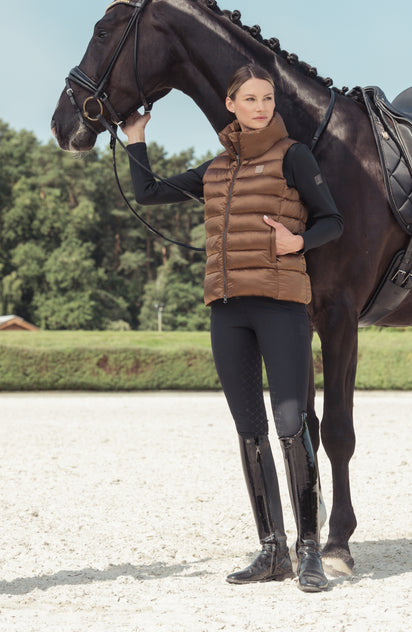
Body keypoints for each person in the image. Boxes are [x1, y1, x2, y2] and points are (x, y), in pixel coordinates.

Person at [121, 63, 343, 592]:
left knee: (292, 424)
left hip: (281, 307)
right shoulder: (217, 168)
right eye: (250, 98)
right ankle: (272, 552)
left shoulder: (294, 156)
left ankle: (310, 550)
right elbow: (149, 192)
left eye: (268, 98)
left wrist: (299, 243)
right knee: (250, 431)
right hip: (227, 311)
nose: (261, 106)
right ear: (231, 104)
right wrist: (135, 138)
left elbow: (332, 220)